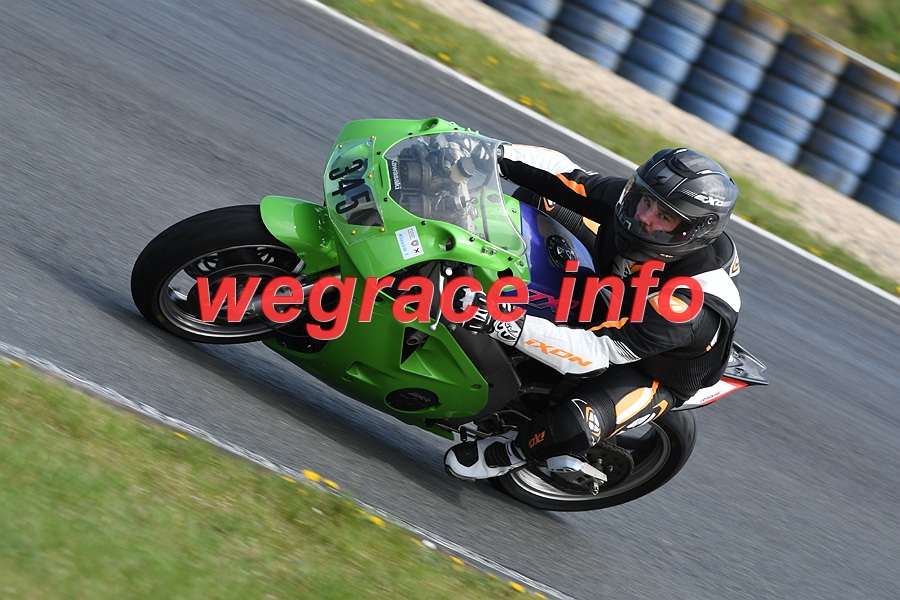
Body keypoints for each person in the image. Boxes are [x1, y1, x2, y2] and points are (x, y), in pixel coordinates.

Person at [444, 144, 742, 483]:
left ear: (692, 232)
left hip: (647, 364)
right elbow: (567, 176)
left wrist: (503, 323)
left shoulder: (687, 304)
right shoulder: (634, 206)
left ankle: (511, 452)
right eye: (646, 201)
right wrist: (483, 152)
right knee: (540, 197)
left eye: (665, 217)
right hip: (612, 291)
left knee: (575, 423)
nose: (645, 217)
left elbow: (596, 352)